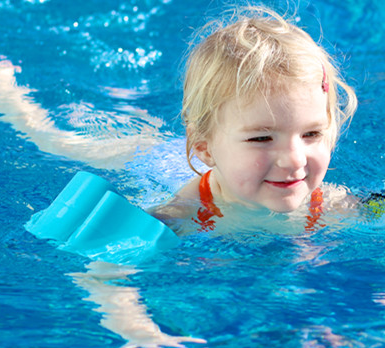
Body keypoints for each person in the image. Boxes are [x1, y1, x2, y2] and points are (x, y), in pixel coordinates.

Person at [152, 5, 358, 233]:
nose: (294, 160)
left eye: (311, 134)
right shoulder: (178, 218)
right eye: (261, 138)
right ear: (204, 148)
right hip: (157, 163)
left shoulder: (334, 206)